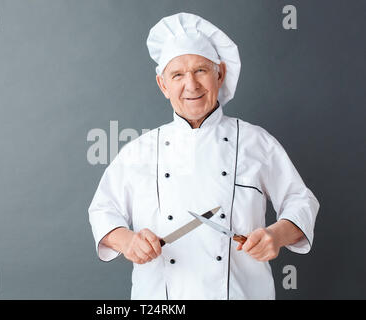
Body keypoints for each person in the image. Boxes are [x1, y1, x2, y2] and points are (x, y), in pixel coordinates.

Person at [88, 12, 319, 300]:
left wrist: (276, 235)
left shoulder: (256, 141)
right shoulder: (139, 150)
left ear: (219, 74)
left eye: (201, 70)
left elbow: (301, 200)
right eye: (178, 75)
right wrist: (128, 241)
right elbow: (102, 210)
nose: (192, 85)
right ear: (163, 85)